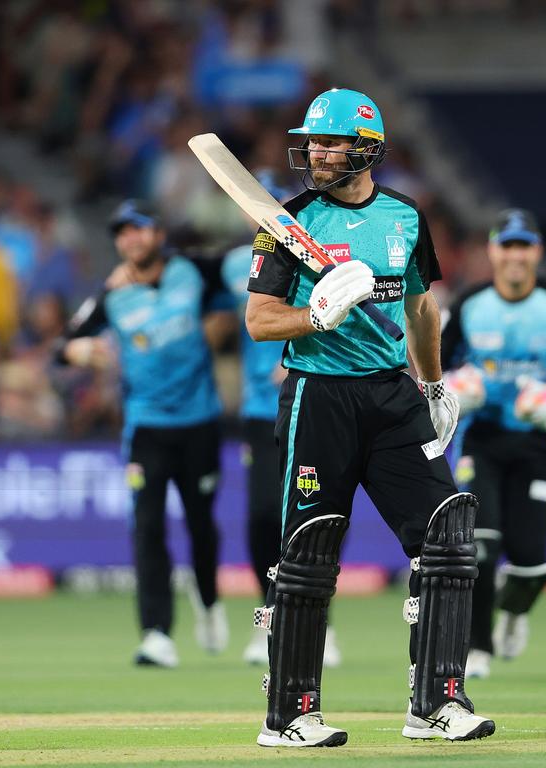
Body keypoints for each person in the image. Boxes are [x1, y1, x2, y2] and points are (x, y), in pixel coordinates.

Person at [244, 88, 495, 747]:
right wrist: (315, 315)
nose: (318, 153)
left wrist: (434, 386)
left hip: (392, 396)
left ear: (368, 149)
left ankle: (436, 703)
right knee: (309, 554)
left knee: (447, 538)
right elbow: (259, 321)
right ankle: (290, 715)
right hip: (317, 396)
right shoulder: (285, 222)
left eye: (331, 143)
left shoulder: (405, 217)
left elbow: (418, 308)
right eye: (313, 143)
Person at [54, 200, 230, 668]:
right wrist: (79, 351)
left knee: (200, 525)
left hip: (199, 422)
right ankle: (156, 634)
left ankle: (209, 602)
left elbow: (245, 270)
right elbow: (61, 346)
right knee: (148, 527)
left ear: (158, 233)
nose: (131, 239)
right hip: (146, 427)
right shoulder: (111, 295)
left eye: (140, 229)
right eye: (122, 233)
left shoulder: (193, 272)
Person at [441, 209, 546, 680]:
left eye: (524, 246)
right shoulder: (471, 302)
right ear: (492, 251)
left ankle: (515, 612)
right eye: (506, 245)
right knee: (480, 546)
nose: (515, 255)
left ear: (537, 252)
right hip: (483, 440)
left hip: (538, 442)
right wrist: (455, 389)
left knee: (531, 561)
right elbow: (434, 363)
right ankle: (478, 647)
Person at [218, 172, 340, 669]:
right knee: (264, 514)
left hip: (312, 400)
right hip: (257, 410)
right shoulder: (233, 262)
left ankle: (318, 621)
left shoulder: (319, 247)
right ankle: (269, 609)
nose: (261, 213)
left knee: (315, 515)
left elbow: (339, 312)